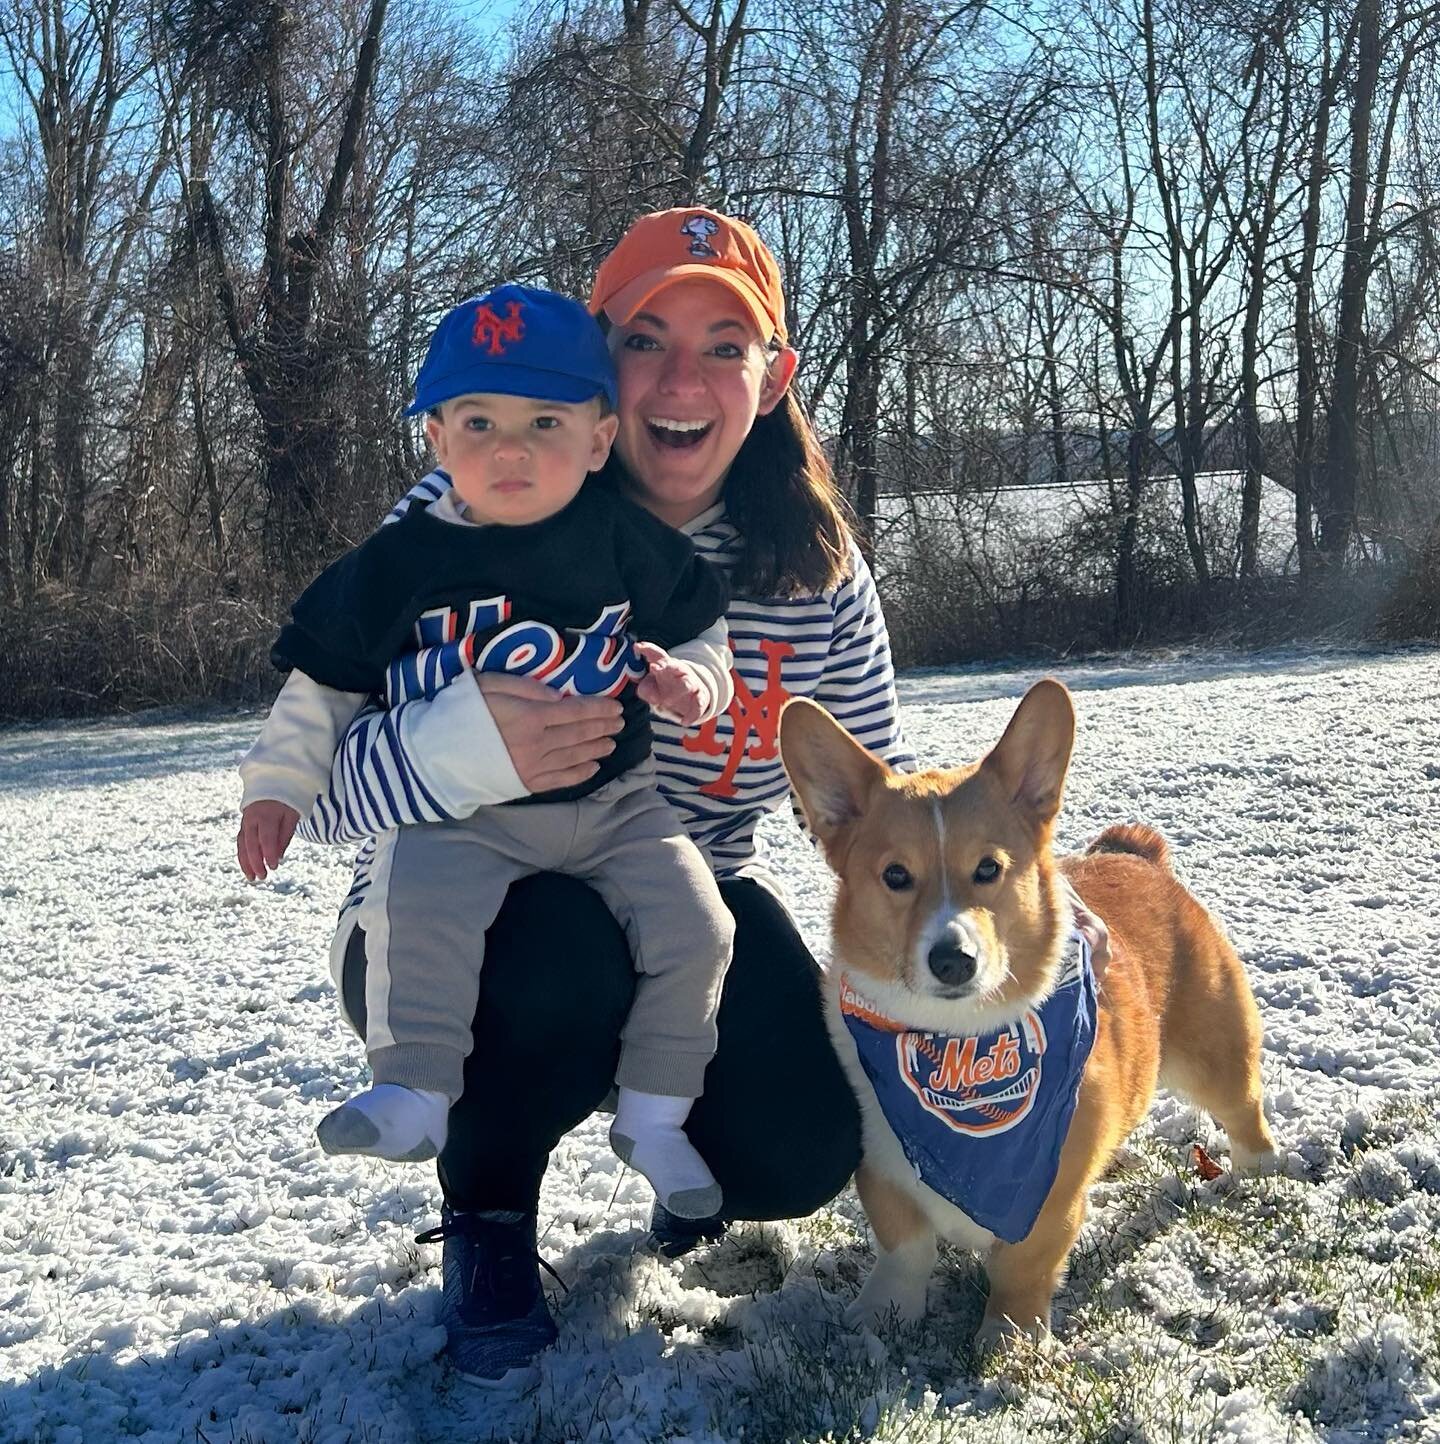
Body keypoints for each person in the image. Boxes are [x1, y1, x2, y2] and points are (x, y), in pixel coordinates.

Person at [253, 207, 1109, 1389]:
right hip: (446, 910)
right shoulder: (468, 505)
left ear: (774, 377)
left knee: (804, 1145)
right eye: (647, 338)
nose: (681, 379)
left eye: (725, 344)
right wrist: (460, 746)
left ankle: (678, 1154)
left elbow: (884, 826)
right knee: (558, 957)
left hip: (681, 891)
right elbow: (326, 792)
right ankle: (489, 1220)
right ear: (599, 364)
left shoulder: (814, 573)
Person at [237, 284, 737, 1221]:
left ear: (597, 439)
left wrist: (693, 684)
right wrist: (278, 789)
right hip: (464, 819)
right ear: (436, 439)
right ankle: (413, 1090)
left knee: (702, 928)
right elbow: (323, 685)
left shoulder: (622, 535)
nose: (511, 449)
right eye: (479, 421)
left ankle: (657, 1116)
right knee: (418, 901)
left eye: (545, 421)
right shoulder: (400, 559)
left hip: (621, 805)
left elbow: (706, 630)